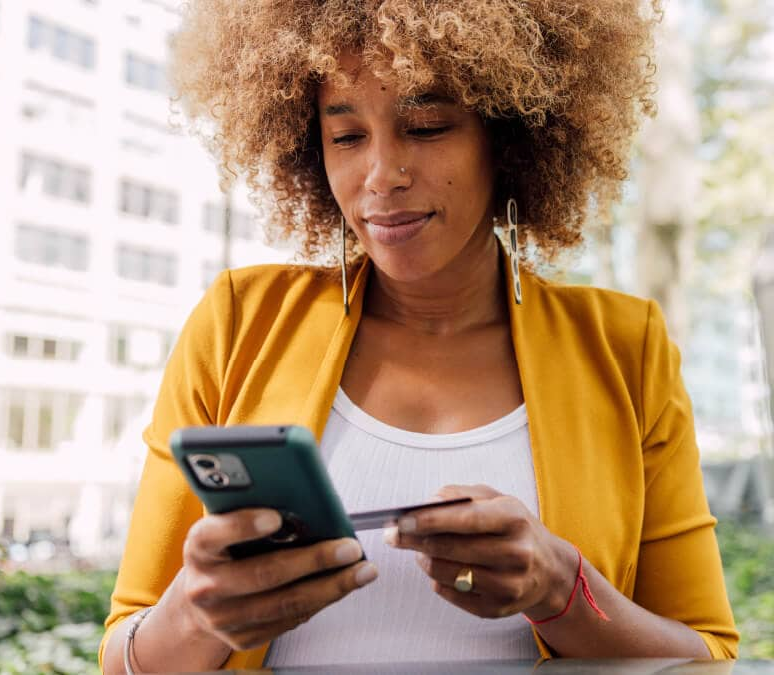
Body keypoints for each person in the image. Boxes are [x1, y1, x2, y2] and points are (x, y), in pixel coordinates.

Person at [99, 1, 739, 672]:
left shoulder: (624, 347)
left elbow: (708, 655)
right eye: (346, 136)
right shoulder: (238, 322)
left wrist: (560, 589)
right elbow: (122, 657)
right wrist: (194, 616)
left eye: (427, 126)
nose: (381, 175)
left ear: (512, 134)